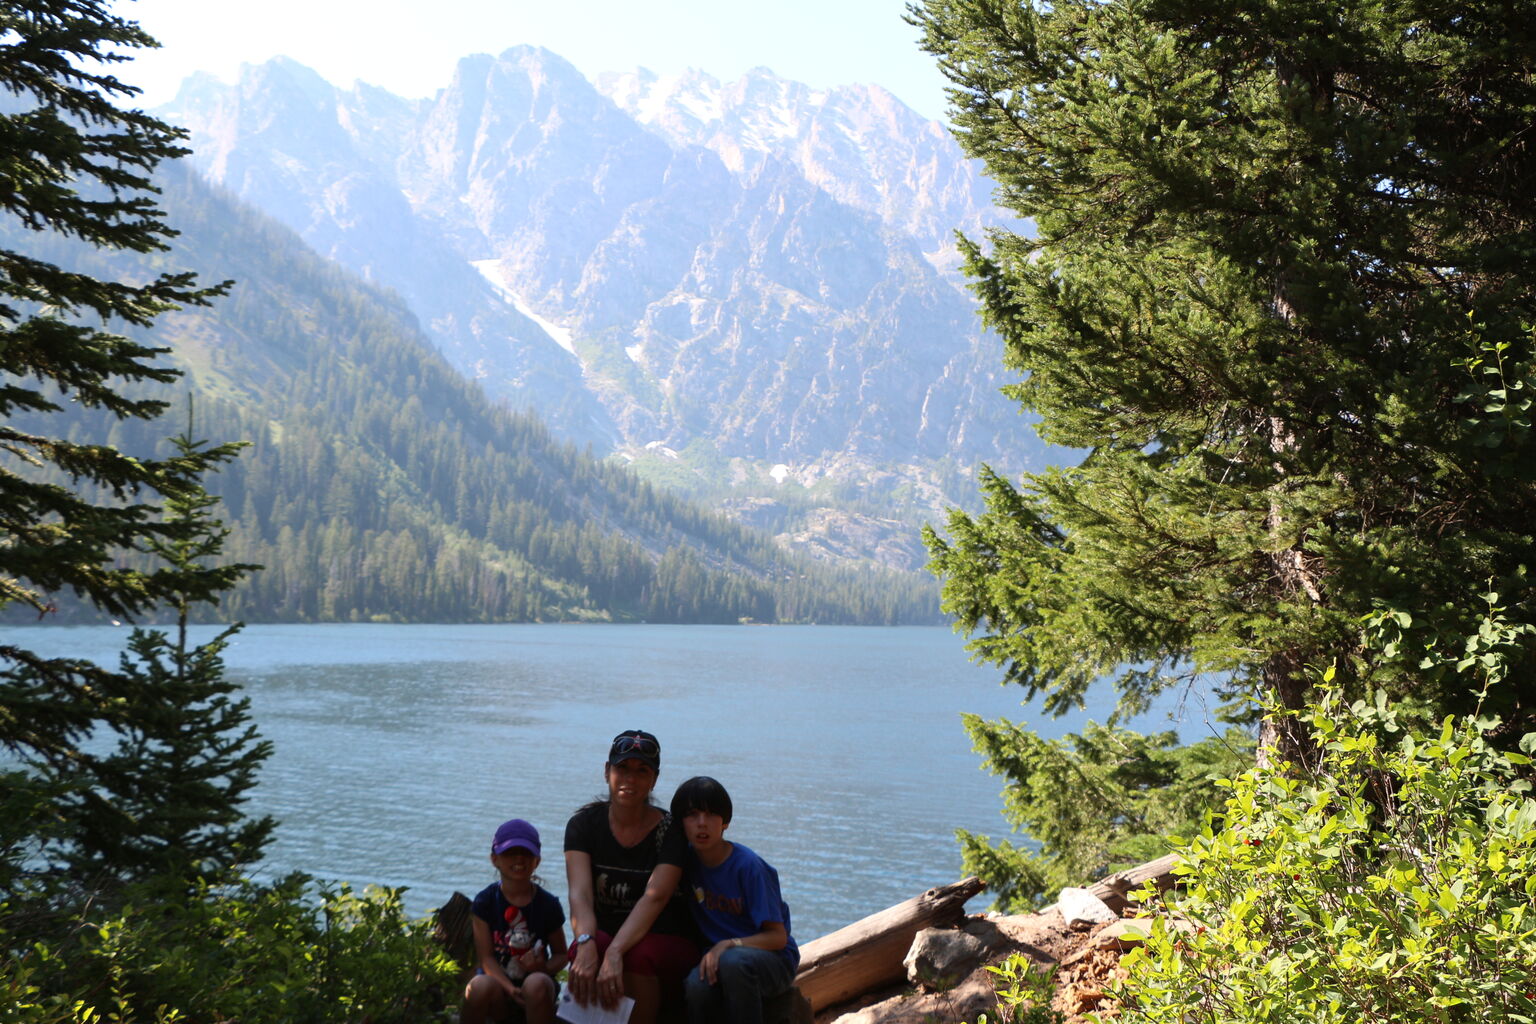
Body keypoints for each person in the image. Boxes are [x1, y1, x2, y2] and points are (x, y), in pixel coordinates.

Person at [564, 729, 700, 1024]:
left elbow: (656, 896)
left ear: (654, 779)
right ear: (606, 771)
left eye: (642, 771)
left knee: (638, 953)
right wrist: (586, 942)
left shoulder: (670, 831)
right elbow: (580, 894)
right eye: (622, 768)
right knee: (584, 948)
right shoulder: (582, 825)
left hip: (664, 938)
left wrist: (615, 951)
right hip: (606, 932)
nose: (630, 778)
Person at [669, 776, 798, 1024]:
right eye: (692, 815)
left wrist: (729, 944)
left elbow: (777, 937)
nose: (702, 824)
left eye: (710, 814)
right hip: (719, 958)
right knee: (696, 986)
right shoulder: (683, 862)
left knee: (734, 963)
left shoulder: (749, 867)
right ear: (681, 823)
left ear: (725, 822)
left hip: (773, 960)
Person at [463, 818, 568, 1024]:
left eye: (526, 853)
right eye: (510, 853)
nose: (519, 859)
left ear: (537, 861)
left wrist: (541, 969)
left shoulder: (548, 904)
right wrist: (509, 988)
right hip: (498, 988)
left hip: (536, 991)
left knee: (536, 983)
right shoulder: (485, 901)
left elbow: (561, 955)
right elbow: (486, 958)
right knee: (478, 986)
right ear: (495, 859)